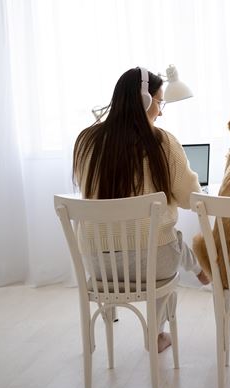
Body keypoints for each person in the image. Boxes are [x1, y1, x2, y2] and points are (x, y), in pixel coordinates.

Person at [72, 67, 210, 353]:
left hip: (99, 267)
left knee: (167, 241)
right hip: (153, 265)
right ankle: (157, 332)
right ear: (146, 101)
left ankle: (195, 271)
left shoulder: (86, 141)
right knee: (168, 242)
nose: (161, 112)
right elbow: (190, 198)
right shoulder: (162, 142)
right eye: (160, 103)